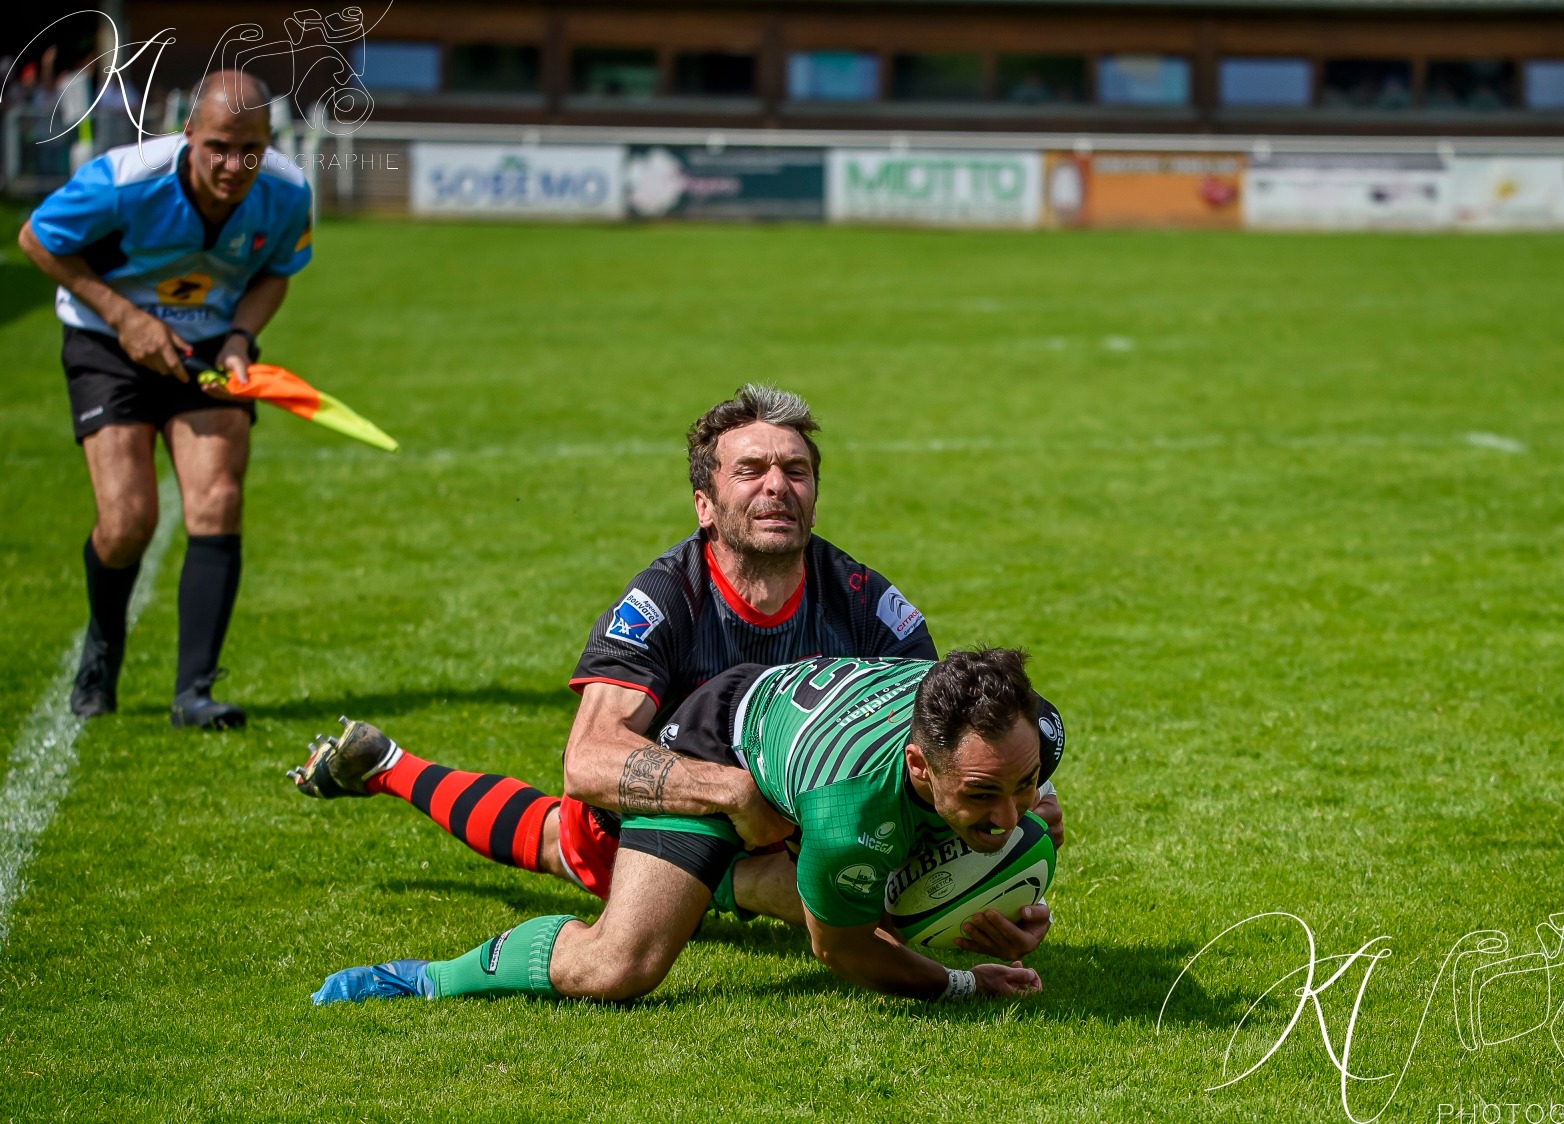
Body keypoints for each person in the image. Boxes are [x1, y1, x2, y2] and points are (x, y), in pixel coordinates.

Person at [289, 386, 1065, 923]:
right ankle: (391, 766)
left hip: (790, 820)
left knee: (914, 859)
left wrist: (1010, 833)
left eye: (795, 471)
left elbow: (937, 742)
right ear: (705, 504)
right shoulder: (664, 598)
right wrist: (731, 792)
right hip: (652, 823)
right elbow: (588, 762)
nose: (777, 487)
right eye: (750, 471)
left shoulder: (863, 597)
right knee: (563, 840)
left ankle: (384, 761)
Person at [314, 648, 1058, 1005]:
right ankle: (428, 979)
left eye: (1022, 779)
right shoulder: (849, 812)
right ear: (921, 765)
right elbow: (840, 948)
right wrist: (962, 982)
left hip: (808, 745)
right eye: (983, 793)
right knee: (618, 967)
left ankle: (725, 882)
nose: (1008, 809)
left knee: (1028, 829)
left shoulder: (1030, 729)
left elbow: (1027, 812)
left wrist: (1011, 890)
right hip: (717, 741)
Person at [18, 69, 313, 728]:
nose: (234, 165)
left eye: (251, 149)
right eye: (217, 147)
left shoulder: (288, 190)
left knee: (218, 499)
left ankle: (194, 694)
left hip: (208, 349)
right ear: (188, 134)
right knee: (127, 522)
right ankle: (102, 649)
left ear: (269, 142)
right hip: (107, 342)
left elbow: (275, 274)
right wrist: (125, 317)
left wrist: (239, 337)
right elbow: (36, 239)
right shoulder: (123, 180)